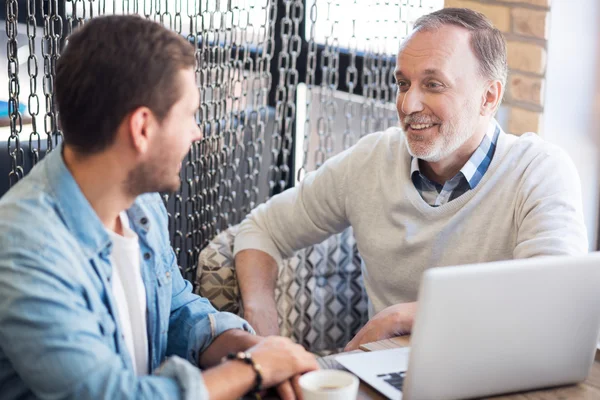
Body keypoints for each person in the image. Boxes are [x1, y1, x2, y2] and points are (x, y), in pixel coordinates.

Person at [0, 15, 317, 400]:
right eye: (189, 115)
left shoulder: (140, 205)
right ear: (142, 129)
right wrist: (252, 369)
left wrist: (248, 345)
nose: (197, 132)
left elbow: (174, 311)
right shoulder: (24, 249)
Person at [233, 7, 588, 350]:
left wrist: (406, 317)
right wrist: (262, 321)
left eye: (433, 85)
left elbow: (551, 301)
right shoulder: (370, 161)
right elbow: (262, 229)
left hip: (498, 378)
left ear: (488, 97)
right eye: (403, 83)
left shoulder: (539, 171)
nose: (408, 104)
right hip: (386, 380)